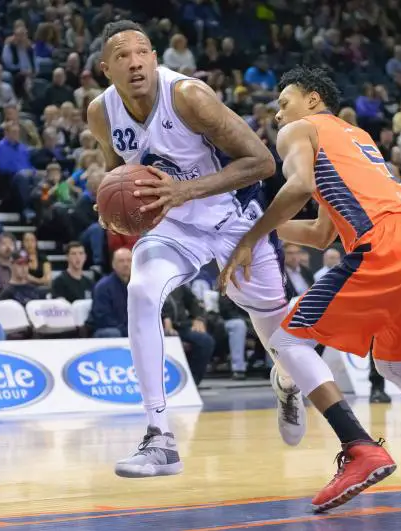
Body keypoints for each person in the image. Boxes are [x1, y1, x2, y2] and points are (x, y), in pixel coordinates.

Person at [218, 66, 401, 512]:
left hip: (387, 243)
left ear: (312, 100)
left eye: (283, 102)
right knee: (394, 363)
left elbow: (297, 187)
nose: (277, 114)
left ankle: (359, 447)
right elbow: (318, 233)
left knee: (288, 338)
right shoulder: (356, 138)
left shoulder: (300, 128)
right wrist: (251, 232)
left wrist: (250, 237)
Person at [87, 21, 291, 479]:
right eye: (122, 56)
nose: (135, 62)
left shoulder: (188, 97)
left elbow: (261, 162)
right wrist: (111, 207)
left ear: (156, 57)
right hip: (174, 226)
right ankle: (159, 437)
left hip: (232, 220)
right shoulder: (101, 113)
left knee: (280, 336)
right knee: (141, 291)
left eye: (142, 52)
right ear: (107, 69)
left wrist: (185, 190)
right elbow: (114, 172)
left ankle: (289, 378)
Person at [88, 248, 131, 338]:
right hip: (106, 329)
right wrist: (128, 331)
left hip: (129, 329)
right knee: (114, 333)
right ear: (113, 264)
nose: (126, 264)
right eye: (121, 261)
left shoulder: (138, 286)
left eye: (129, 260)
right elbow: (103, 318)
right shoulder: (103, 286)